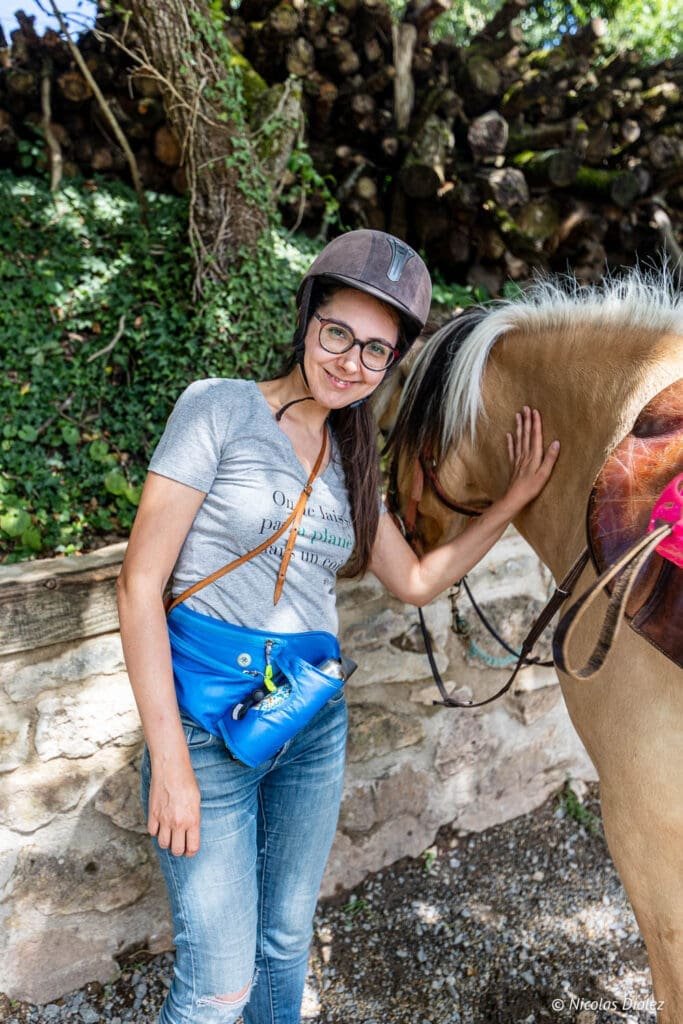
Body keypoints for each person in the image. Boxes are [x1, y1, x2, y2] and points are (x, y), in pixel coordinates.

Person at [117, 229, 560, 1024]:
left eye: (375, 352)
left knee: (285, 944)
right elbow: (139, 586)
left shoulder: (352, 463)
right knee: (217, 985)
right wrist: (170, 761)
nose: (350, 363)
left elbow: (417, 580)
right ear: (307, 319)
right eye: (337, 335)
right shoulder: (218, 407)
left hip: (310, 720)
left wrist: (511, 501)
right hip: (206, 726)